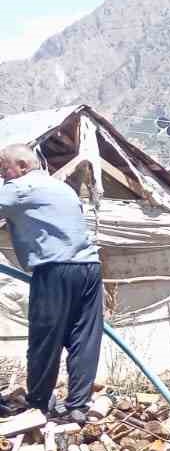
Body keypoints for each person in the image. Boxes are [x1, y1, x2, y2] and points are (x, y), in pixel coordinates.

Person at [0, 144, 103, 424]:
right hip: (90, 268)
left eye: (3, 167)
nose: (1, 173)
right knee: (84, 338)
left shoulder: (20, 186)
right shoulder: (63, 188)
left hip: (55, 269)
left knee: (45, 338)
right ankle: (78, 405)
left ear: (21, 166)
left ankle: (39, 403)